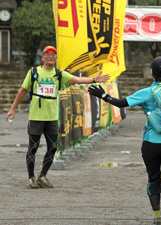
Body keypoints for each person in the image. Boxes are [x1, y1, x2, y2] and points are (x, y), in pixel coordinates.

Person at [88, 56, 161, 225]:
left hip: (151, 143)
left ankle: (157, 215)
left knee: (153, 179)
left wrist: (103, 95)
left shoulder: (147, 93)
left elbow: (121, 103)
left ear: (151, 72)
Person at [5, 46, 110, 189]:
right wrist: (12, 109)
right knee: (33, 148)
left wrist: (94, 79)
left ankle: (42, 176)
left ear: (56, 58)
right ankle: (31, 177)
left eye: (53, 55)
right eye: (47, 54)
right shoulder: (34, 72)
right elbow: (23, 90)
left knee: (53, 148)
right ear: (42, 57)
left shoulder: (59, 74)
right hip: (36, 116)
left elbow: (77, 80)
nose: (50, 57)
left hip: (52, 118)